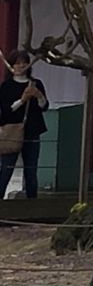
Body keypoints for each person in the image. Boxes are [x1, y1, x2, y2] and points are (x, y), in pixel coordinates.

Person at [0, 52, 49, 200]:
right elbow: (6, 111)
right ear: (11, 66)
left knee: (31, 170)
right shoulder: (6, 86)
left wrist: (39, 96)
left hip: (32, 130)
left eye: (24, 62)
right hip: (12, 132)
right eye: (17, 63)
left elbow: (44, 106)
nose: (21, 66)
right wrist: (22, 100)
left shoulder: (36, 83)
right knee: (6, 169)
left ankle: (31, 203)